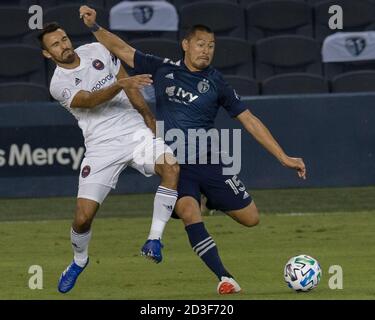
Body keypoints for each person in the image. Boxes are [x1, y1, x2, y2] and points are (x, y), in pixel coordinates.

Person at [79, 6, 307, 294]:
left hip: (211, 161)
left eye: (211, 46)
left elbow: (249, 120)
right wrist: (94, 26)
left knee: (251, 219)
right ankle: (225, 278)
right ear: (186, 45)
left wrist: (283, 157)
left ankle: (210, 201)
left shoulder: (216, 82)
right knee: (188, 211)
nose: (206, 51)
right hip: (175, 165)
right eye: (201, 44)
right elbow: (123, 50)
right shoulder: (163, 68)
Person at [38, 22, 180, 293]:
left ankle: (154, 240)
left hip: (134, 132)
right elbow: (90, 100)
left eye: (65, 39)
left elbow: (130, 85)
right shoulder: (58, 84)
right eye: (55, 45)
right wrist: (120, 84)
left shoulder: (96, 49)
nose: (64, 45)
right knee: (82, 218)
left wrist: (147, 115)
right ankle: (79, 261)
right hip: (101, 146)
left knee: (172, 168)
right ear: (47, 54)